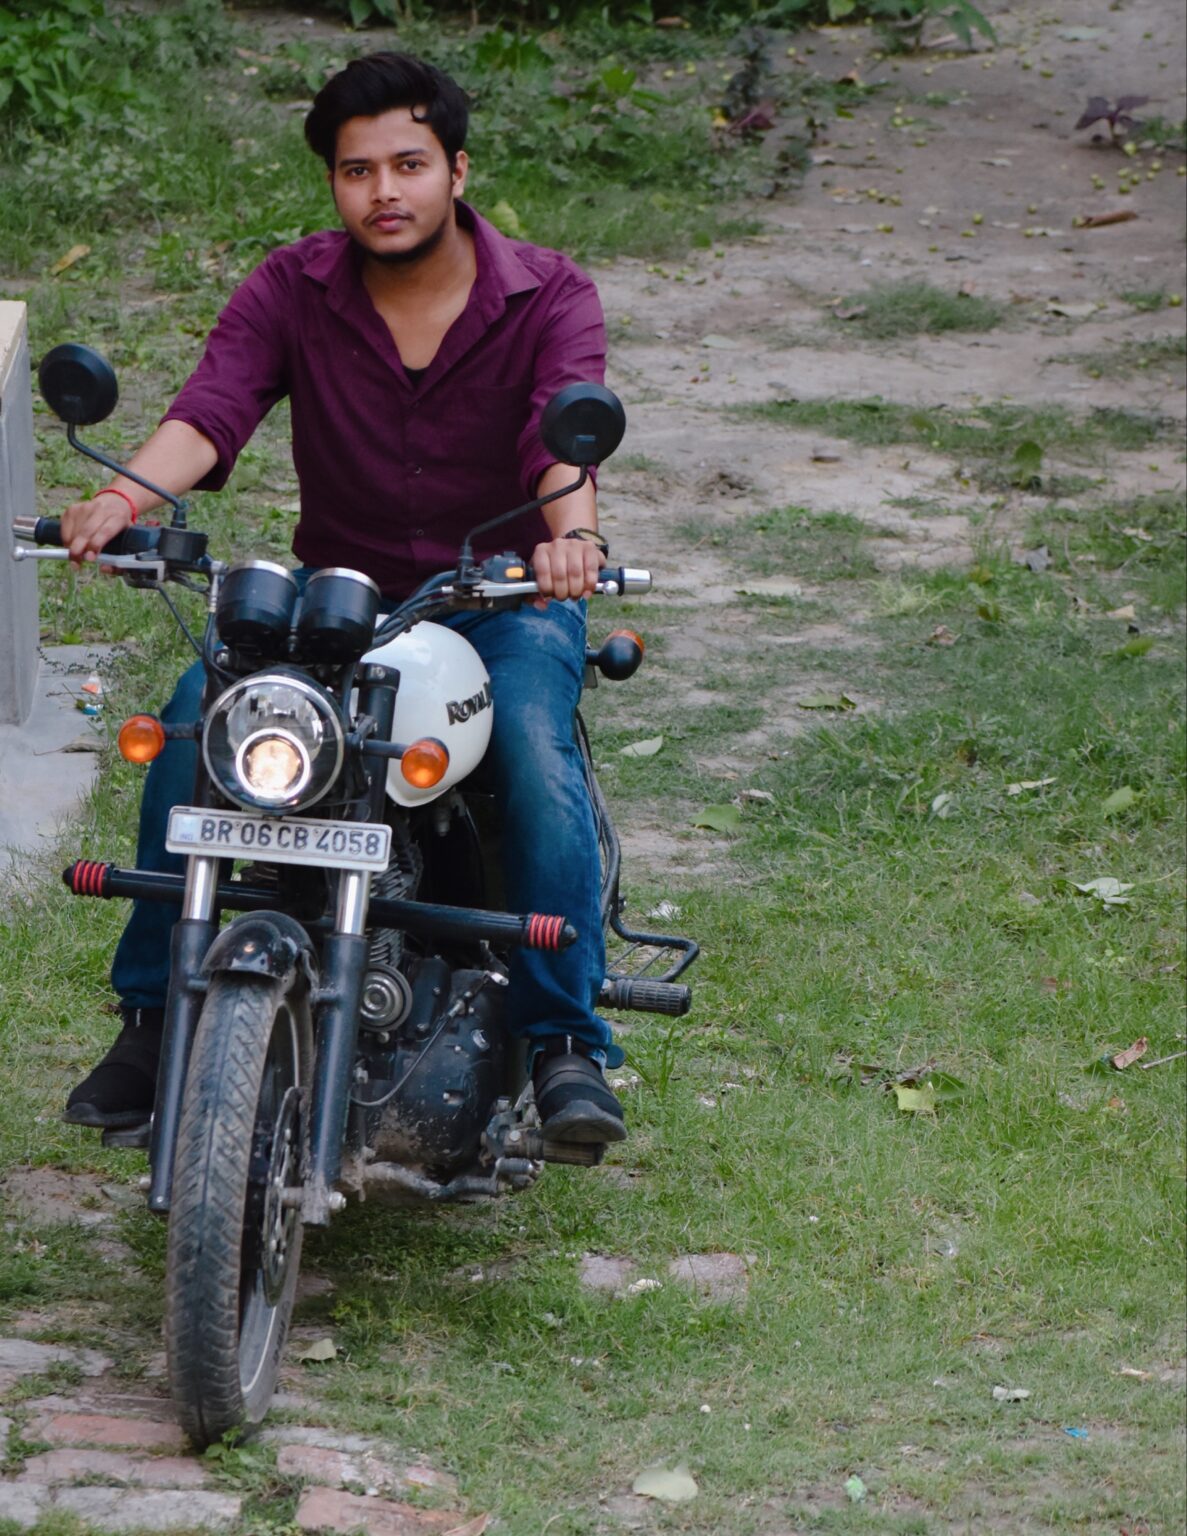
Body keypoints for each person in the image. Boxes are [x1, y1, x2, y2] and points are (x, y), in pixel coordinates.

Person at [60, 51, 626, 1147]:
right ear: (333, 183)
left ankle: (563, 1040)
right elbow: (213, 407)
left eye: (409, 164)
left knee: (532, 751)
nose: (384, 192)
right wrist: (124, 495)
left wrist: (574, 541)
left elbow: (559, 428)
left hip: (501, 598)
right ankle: (150, 1019)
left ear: (457, 170)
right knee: (194, 719)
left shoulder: (548, 293)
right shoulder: (293, 286)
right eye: (357, 171)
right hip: (343, 602)